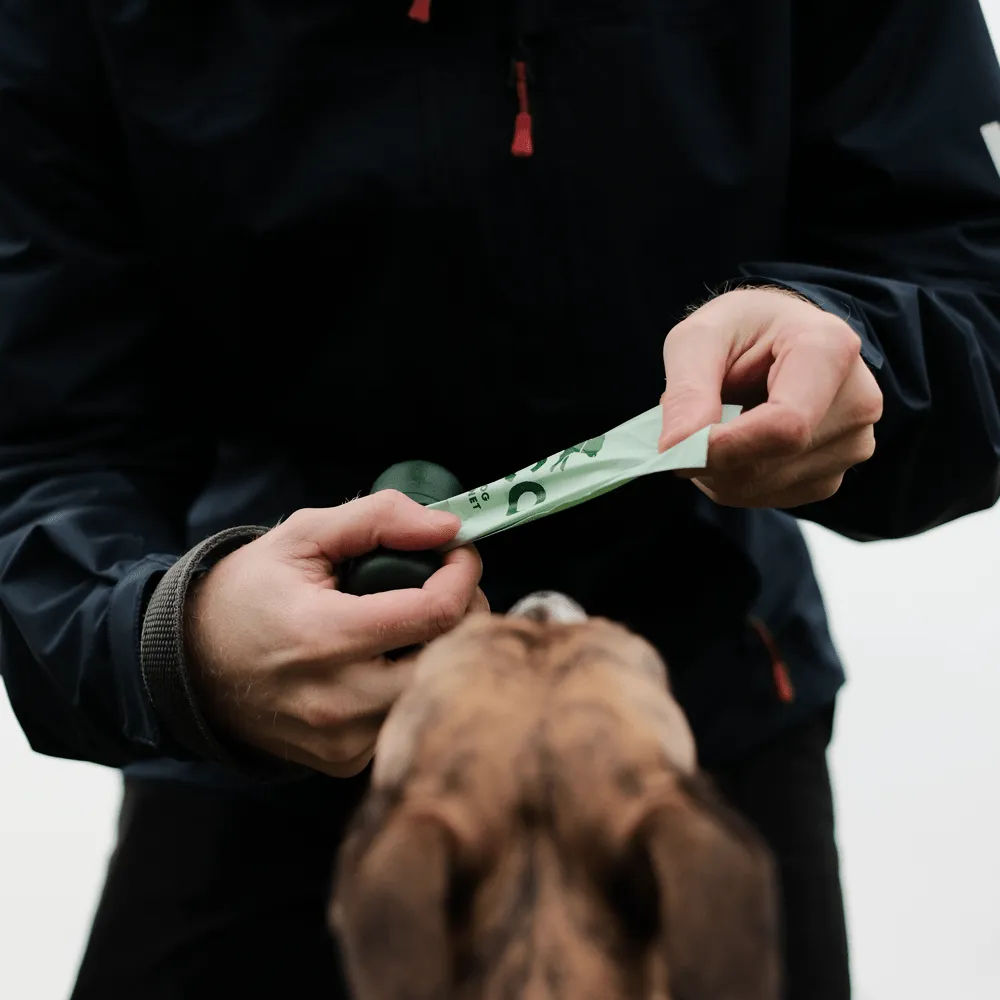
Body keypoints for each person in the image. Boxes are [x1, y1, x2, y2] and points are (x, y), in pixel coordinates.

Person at [0, 2, 998, 998]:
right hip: (262, 711)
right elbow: (42, 440)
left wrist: (857, 346)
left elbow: (963, 281)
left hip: (693, 719)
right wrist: (173, 642)